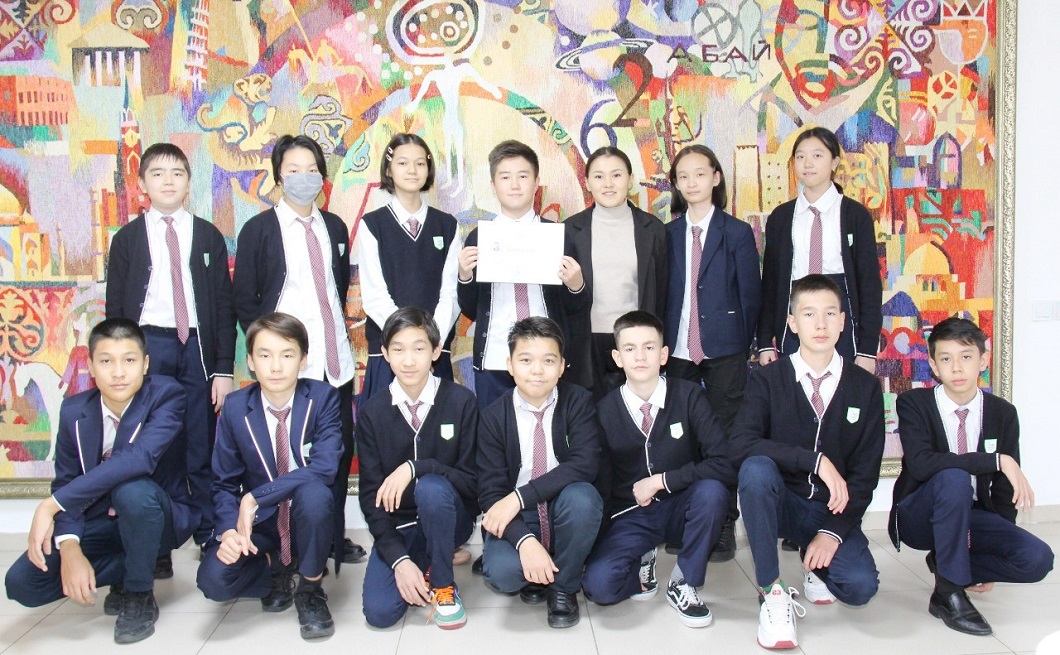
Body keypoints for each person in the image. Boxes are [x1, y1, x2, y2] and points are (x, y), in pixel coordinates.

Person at [5, 318, 198, 644]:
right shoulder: (74, 411)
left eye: (129, 360)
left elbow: (139, 459)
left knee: (131, 489)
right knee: (22, 583)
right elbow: (67, 481)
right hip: (100, 523)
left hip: (155, 518)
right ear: (92, 367)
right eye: (106, 361)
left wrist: (51, 505)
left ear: (145, 364)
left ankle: (138, 593)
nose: (118, 372)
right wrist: (70, 547)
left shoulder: (167, 396)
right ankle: (131, 567)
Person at [731, 274, 884, 650]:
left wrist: (832, 532)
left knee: (859, 587)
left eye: (830, 314)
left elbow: (865, 475)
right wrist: (814, 461)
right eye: (809, 313)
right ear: (792, 322)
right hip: (780, 501)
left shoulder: (865, 387)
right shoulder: (767, 379)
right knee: (755, 469)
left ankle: (814, 558)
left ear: (843, 322)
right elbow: (741, 444)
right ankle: (772, 592)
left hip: (830, 510)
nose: (820, 324)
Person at [232, 134, 365, 567]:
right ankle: (284, 540)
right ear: (278, 177)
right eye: (293, 170)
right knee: (287, 456)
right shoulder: (259, 231)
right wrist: (271, 351)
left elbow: (337, 288)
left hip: (334, 363)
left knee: (336, 453)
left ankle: (330, 537)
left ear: (322, 178)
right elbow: (245, 300)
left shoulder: (335, 227)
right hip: (287, 368)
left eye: (311, 170)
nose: (303, 177)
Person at [105, 142, 235, 559]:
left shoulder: (208, 236)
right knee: (155, 444)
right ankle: (157, 540)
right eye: (157, 173)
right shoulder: (127, 239)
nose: (168, 181)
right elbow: (115, 309)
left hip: (196, 345)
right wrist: (122, 360)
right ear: (142, 183)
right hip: (148, 345)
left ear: (188, 183)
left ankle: (208, 530)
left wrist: (223, 369)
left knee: (201, 441)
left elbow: (224, 306)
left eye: (177, 173)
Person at [889, 317, 1053, 636]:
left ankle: (948, 565)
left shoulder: (1003, 413)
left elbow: (1004, 490)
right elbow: (921, 465)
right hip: (920, 516)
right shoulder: (914, 403)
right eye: (946, 359)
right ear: (933, 366)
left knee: (1038, 559)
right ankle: (949, 593)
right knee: (953, 477)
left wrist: (991, 552)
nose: (957, 368)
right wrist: (995, 460)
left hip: (973, 515)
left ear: (983, 360)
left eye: (966, 357)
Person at [582, 310, 733, 627]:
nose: (640, 356)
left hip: (682, 507)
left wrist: (662, 481)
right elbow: (599, 483)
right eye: (630, 348)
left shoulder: (690, 396)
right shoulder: (603, 411)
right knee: (599, 586)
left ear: (664, 355)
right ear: (617, 357)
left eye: (649, 347)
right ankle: (641, 560)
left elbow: (723, 462)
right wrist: (599, 547)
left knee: (712, 492)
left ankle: (684, 581)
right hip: (631, 515)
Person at [196, 312, 341, 640]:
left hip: (308, 520)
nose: (276, 367)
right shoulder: (235, 408)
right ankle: (275, 567)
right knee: (213, 581)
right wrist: (227, 531)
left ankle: (310, 590)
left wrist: (254, 497)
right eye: (265, 355)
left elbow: (324, 468)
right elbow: (223, 482)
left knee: (315, 493)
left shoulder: (323, 399)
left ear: (303, 360)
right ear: (250, 361)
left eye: (287, 355)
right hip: (261, 526)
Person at [663, 144, 761, 561]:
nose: (691, 182)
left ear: (716, 177)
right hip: (677, 350)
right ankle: (686, 519)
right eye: (683, 176)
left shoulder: (736, 232)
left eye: (699, 174)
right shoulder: (667, 234)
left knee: (724, 439)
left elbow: (751, 295)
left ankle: (722, 524)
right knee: (680, 437)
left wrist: (741, 346)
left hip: (725, 350)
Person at [477, 317, 603, 628]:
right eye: (526, 360)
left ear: (562, 366)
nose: (537, 370)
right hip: (519, 515)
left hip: (562, 506)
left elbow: (585, 463)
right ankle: (536, 571)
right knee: (503, 574)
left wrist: (520, 496)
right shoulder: (493, 417)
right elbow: (491, 493)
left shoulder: (578, 402)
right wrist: (525, 541)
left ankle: (563, 587)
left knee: (584, 498)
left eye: (548, 361)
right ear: (509, 365)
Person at [358, 307, 478, 630]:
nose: (408, 360)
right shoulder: (371, 413)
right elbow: (370, 497)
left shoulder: (462, 402)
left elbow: (473, 484)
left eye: (419, 348)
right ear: (385, 354)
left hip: (451, 517)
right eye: (398, 349)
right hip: (399, 527)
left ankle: (443, 584)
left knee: (431, 487)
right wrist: (399, 560)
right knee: (380, 613)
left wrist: (416, 467)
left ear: (436, 351)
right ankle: (424, 559)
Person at [457, 139, 590, 409]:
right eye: (505, 177)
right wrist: (465, 277)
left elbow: (575, 307)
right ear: (493, 185)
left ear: (536, 181)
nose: (514, 185)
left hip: (546, 358)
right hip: (495, 355)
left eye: (523, 176)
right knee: (495, 430)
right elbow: (470, 308)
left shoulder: (558, 237)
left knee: (548, 428)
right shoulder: (479, 238)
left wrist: (576, 285)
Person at [758, 126, 882, 372]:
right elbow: (770, 283)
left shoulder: (855, 215)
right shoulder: (781, 218)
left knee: (842, 389)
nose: (808, 164)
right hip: (795, 319)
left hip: (841, 318)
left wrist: (867, 350)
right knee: (796, 390)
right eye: (800, 157)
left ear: (834, 162)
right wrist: (764, 342)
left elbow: (869, 285)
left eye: (817, 155)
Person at [355, 133, 461, 402]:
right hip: (389, 352)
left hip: (435, 351)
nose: (412, 170)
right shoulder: (372, 225)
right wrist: (406, 344)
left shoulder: (447, 225)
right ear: (388, 170)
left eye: (420, 163)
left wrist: (429, 342)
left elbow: (451, 293)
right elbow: (375, 296)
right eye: (403, 163)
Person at [565, 146, 667, 401]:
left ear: (630, 179)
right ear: (587, 182)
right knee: (588, 413)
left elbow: (663, 292)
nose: (608, 184)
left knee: (631, 413)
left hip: (635, 341)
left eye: (617, 175)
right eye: (599, 176)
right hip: (586, 342)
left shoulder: (653, 229)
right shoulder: (570, 230)